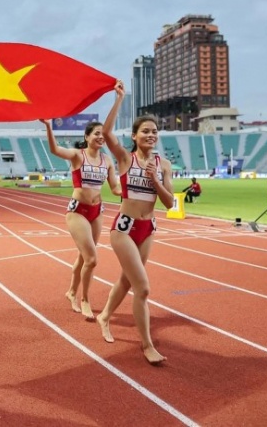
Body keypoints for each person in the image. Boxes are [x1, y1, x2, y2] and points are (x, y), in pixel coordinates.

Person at [97, 81, 174, 365]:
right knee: (142, 288)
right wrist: (119, 99)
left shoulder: (163, 165)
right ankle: (147, 345)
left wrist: (155, 179)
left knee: (126, 281)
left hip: (148, 228)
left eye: (155, 131)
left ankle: (104, 315)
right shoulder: (125, 158)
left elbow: (169, 203)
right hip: (124, 229)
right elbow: (106, 133)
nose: (151, 135)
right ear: (135, 135)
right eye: (146, 131)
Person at [39, 118, 120, 319]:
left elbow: (115, 188)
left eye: (103, 134)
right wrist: (49, 126)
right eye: (97, 134)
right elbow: (55, 150)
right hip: (77, 212)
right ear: (87, 137)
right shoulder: (77, 155)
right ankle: (85, 299)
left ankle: (71, 292)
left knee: (84, 257)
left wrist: (135, 190)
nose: (101, 137)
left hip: (97, 212)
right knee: (92, 259)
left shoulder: (107, 161)